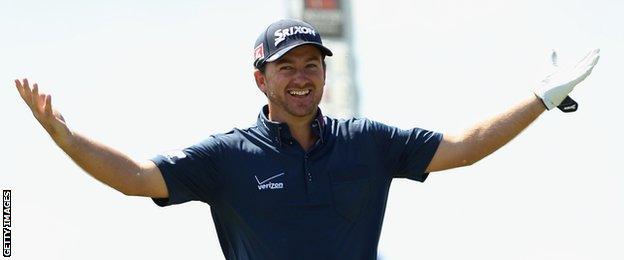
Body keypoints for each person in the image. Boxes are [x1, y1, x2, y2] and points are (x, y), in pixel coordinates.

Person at [14, 19, 600, 259]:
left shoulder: (366, 141)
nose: (302, 78)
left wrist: (541, 99)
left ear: (324, 73)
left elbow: (463, 147)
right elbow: (138, 179)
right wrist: (66, 138)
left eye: (312, 65)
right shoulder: (227, 155)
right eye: (287, 67)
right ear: (260, 77)